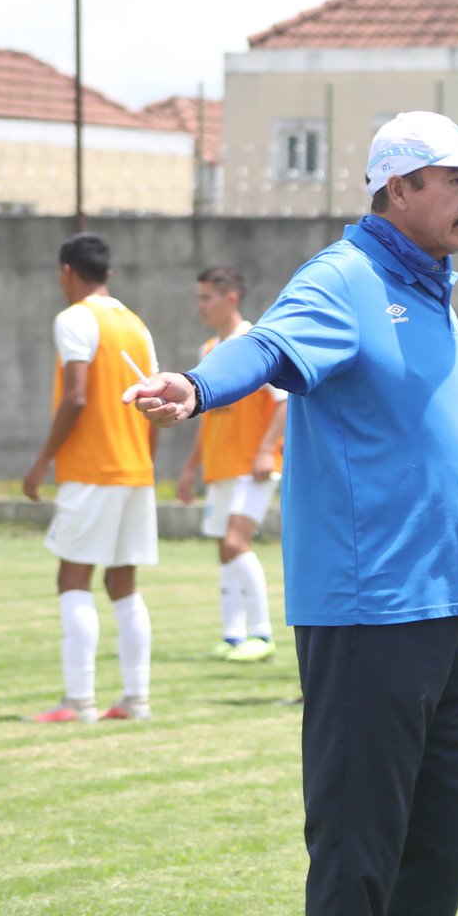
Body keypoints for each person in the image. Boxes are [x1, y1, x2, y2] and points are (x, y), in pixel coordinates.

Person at [126, 111, 458, 916]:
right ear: (396, 190)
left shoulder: (429, 291)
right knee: (359, 831)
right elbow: (268, 349)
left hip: (448, 599)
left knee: (444, 825)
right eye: (452, 178)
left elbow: (415, 424)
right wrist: (197, 385)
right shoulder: (346, 277)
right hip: (369, 606)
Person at [25, 233, 160, 723]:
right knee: (124, 583)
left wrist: (43, 461)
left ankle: (78, 700)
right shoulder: (135, 325)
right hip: (135, 470)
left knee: (73, 576)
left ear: (67, 272)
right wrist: (145, 462)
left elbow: (77, 395)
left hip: (92, 470)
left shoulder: (75, 318)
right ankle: (135, 699)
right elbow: (154, 404)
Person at [176, 266, 286, 662]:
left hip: (252, 466)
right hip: (220, 467)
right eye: (199, 297)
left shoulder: (256, 344)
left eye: (207, 297)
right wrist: (190, 469)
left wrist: (264, 451)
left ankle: (262, 634)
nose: (200, 305)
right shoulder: (209, 350)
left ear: (231, 299)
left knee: (236, 543)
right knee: (224, 549)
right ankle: (234, 635)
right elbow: (202, 414)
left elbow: (284, 403)